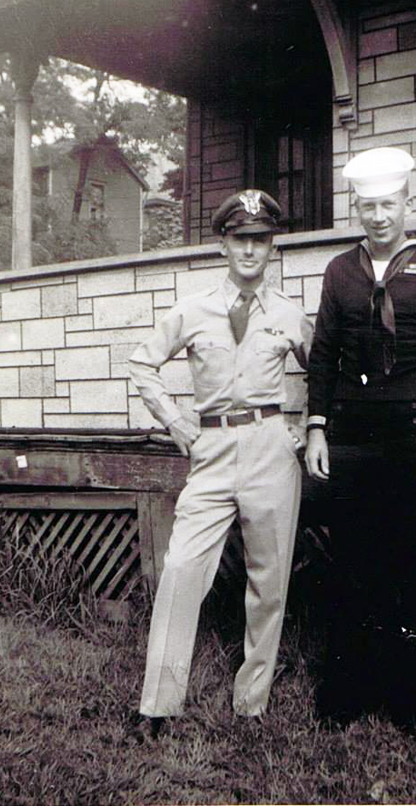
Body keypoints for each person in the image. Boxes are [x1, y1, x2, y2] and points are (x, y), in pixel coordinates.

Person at [129, 188, 313, 737]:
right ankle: (158, 705)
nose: (251, 251)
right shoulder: (192, 310)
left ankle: (251, 699)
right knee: (182, 569)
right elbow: (142, 364)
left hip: (270, 451)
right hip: (210, 452)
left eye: (261, 240)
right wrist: (177, 422)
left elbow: (325, 372)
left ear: (272, 247)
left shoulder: (288, 313)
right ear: (223, 245)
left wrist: (307, 424)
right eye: (240, 240)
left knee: (269, 578)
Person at [305, 147, 416, 735]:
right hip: (351, 433)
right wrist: (317, 427)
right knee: (353, 560)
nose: (378, 216)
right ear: (358, 207)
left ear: (406, 203)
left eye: (388, 204)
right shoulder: (340, 271)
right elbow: (323, 353)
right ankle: (348, 695)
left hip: (410, 435)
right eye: (368, 205)